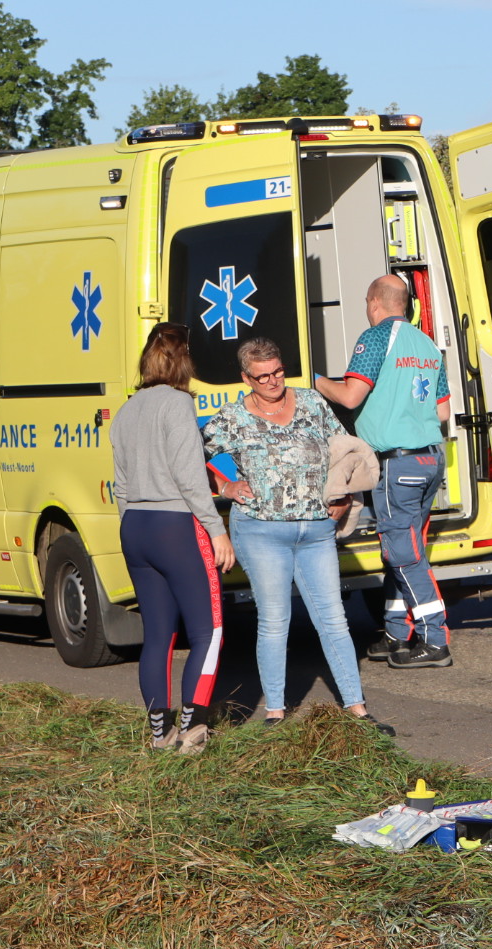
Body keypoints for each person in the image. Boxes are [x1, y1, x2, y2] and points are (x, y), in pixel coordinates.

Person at [203, 338, 386, 731]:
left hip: (317, 530)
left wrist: (345, 494)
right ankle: (275, 713)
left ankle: (357, 710)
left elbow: (346, 451)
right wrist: (225, 486)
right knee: (274, 620)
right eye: (262, 376)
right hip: (262, 532)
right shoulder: (233, 416)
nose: (273, 381)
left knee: (333, 619)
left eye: (278, 371)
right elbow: (195, 456)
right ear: (246, 378)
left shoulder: (312, 402)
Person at [314, 275, 453, 669]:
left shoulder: (375, 338)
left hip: (397, 463)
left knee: (402, 552)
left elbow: (350, 396)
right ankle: (395, 632)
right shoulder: (427, 343)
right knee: (403, 547)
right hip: (429, 459)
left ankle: (434, 639)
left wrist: (316, 380)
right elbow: (443, 411)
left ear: (374, 302)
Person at [110, 323, 236, 753]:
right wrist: (217, 530)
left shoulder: (127, 410)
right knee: (208, 632)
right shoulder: (179, 404)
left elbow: (121, 484)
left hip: (135, 526)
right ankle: (193, 728)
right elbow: (190, 477)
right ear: (184, 361)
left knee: (158, 636)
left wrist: (131, 525)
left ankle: (159, 733)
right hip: (175, 526)